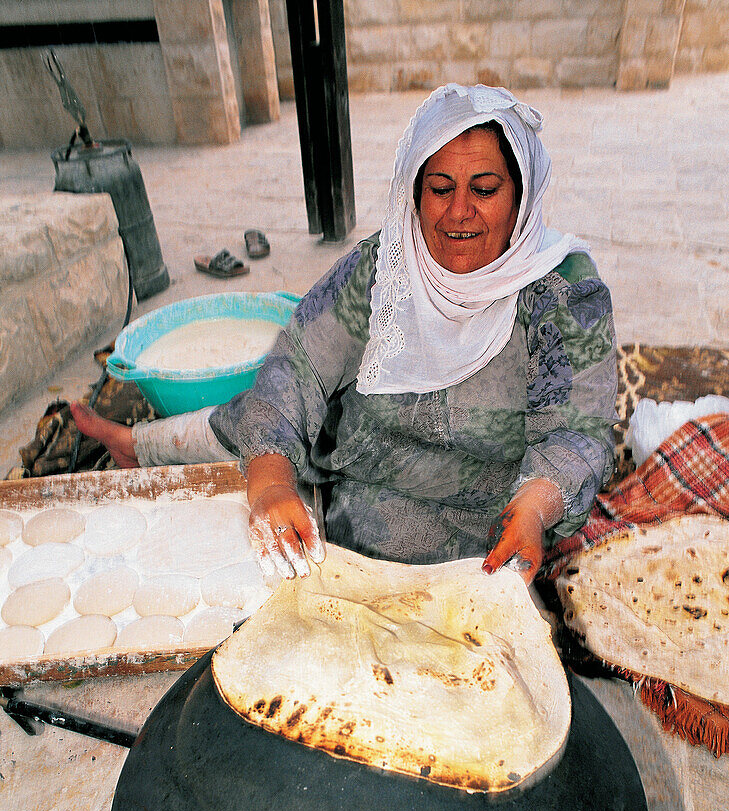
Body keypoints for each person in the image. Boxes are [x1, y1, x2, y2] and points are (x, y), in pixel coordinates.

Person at [72, 84, 617, 586]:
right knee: (256, 422)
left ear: (520, 197)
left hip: (490, 520)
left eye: (485, 188)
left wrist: (537, 505)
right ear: (415, 194)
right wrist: (269, 482)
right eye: (440, 188)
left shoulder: (563, 294)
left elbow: (578, 433)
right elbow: (296, 370)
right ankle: (136, 445)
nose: (459, 212)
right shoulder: (384, 270)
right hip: (361, 484)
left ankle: (139, 445)